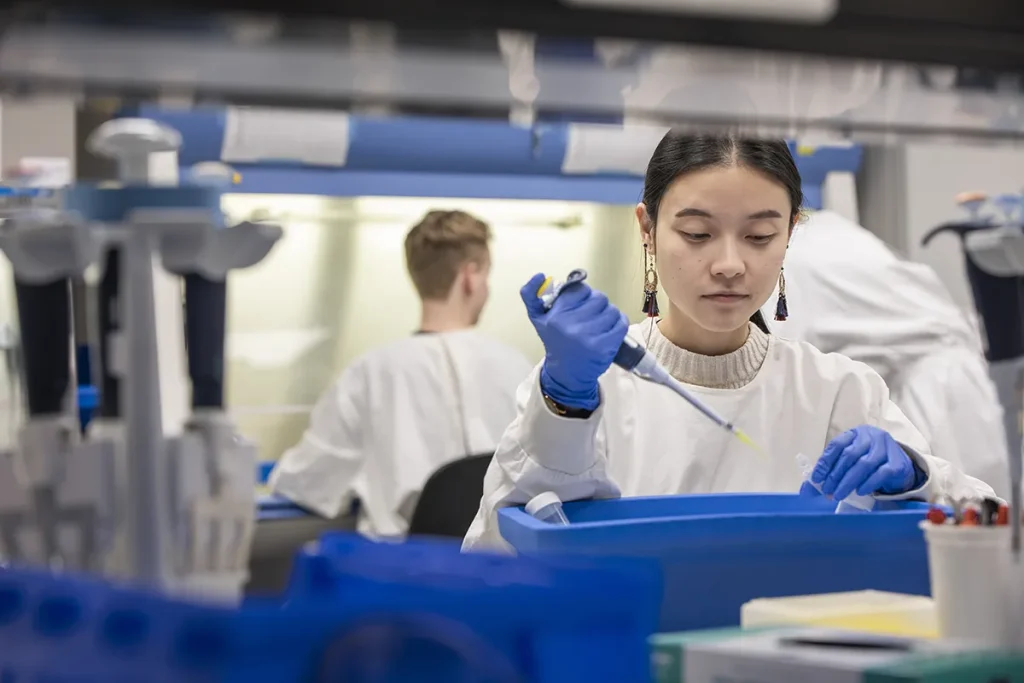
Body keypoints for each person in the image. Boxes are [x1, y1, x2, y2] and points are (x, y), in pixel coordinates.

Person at [462, 133, 996, 551]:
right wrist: (564, 406)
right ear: (647, 227)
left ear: (791, 232)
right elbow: (493, 554)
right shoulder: (586, 384)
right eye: (697, 233)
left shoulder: (839, 391)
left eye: (760, 236)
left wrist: (914, 477)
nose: (730, 265)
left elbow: (988, 525)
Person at [270, 210, 533, 539]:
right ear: (471, 276)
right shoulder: (519, 368)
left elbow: (305, 482)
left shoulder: (370, 373)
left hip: (404, 574)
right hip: (505, 572)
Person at [762, 210, 1011, 499]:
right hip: (963, 376)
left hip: (936, 396)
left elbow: (777, 358)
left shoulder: (792, 260)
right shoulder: (829, 228)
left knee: (964, 520)